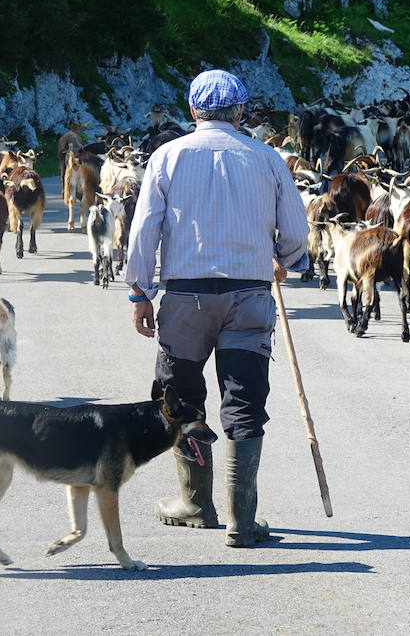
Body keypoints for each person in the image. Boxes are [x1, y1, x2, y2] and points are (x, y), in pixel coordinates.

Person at [123, 69, 310, 546]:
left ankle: (195, 503)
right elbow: (295, 235)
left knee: (181, 396)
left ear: (192, 112)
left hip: (185, 299)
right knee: (245, 398)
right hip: (250, 296)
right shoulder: (267, 158)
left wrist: (140, 292)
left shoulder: (167, 156)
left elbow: (144, 230)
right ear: (241, 112)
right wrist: (285, 261)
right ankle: (241, 520)